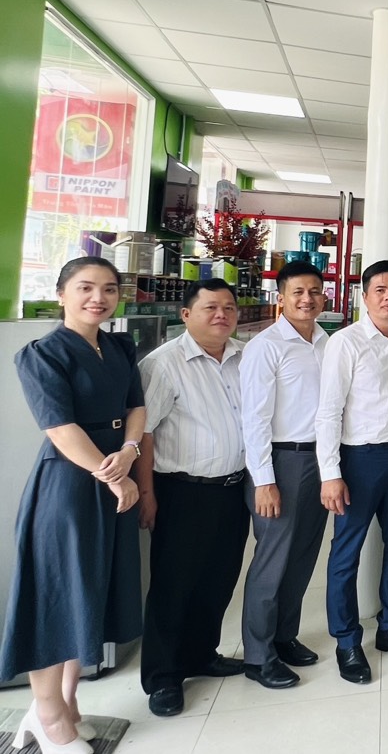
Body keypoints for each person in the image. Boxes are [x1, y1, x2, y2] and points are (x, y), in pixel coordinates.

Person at [0, 258, 143, 753]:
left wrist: (129, 453)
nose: (98, 298)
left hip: (115, 472)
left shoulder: (120, 346)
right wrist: (113, 476)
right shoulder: (41, 355)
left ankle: (67, 702)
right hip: (67, 485)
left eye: (109, 289)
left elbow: (136, 408)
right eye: (85, 288)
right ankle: (47, 716)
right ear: (61, 293)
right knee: (54, 598)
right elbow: (61, 429)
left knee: (90, 592)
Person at [136, 278, 250, 718]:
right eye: (210, 308)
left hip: (232, 488)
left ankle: (202, 653)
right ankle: (163, 676)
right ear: (186, 315)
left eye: (228, 307)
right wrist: (147, 493)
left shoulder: (244, 356)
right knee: (174, 583)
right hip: (181, 490)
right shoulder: (163, 364)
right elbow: (144, 432)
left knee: (219, 577)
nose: (222, 315)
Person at [317, 260, 388, 684]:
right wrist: (330, 473)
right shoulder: (345, 343)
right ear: (364, 297)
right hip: (358, 459)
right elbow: (328, 411)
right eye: (379, 290)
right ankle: (347, 641)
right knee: (347, 552)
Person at [238, 260, 329, 690]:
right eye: (298, 292)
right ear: (282, 298)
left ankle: (284, 636)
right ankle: (258, 656)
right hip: (282, 461)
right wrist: (264, 480)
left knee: (303, 555)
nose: (307, 299)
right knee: (272, 560)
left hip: (321, 461)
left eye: (314, 291)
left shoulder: (326, 342)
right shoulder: (266, 347)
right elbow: (254, 418)